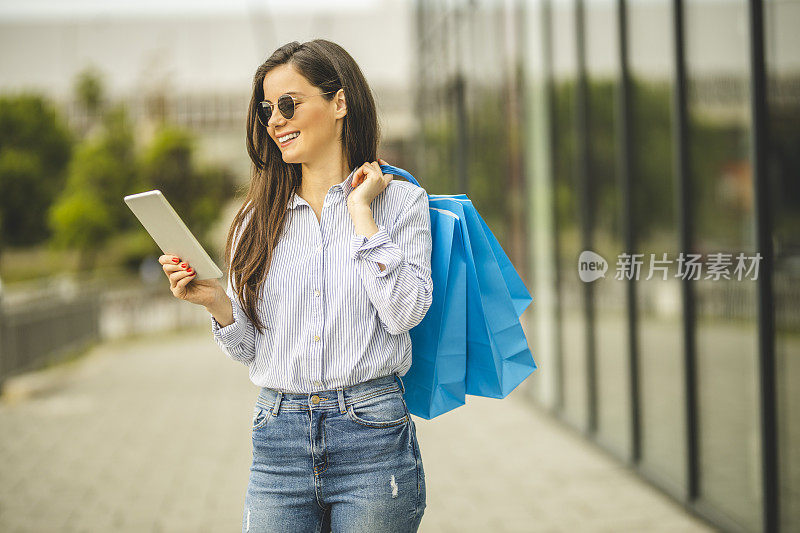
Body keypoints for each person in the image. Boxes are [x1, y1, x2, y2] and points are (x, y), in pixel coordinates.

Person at [158, 39, 432, 533]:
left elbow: (405, 312)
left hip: (372, 435)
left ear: (339, 102)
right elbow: (251, 350)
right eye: (267, 110)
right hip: (277, 437)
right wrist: (216, 302)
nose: (275, 121)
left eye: (288, 104)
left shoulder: (403, 204)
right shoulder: (256, 222)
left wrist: (361, 214)